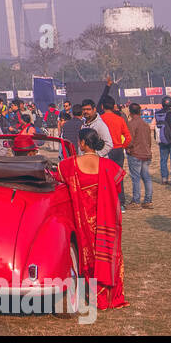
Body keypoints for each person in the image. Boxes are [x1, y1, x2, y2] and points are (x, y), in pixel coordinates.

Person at [56, 128, 128, 310]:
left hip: (82, 222)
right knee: (107, 255)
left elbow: (57, 180)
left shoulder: (69, 164)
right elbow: (117, 190)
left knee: (86, 257)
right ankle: (109, 296)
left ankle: (91, 295)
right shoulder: (109, 165)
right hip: (106, 221)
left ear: (82, 143)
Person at [124, 104, 154, 209]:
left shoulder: (131, 124)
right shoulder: (145, 124)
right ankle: (148, 200)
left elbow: (130, 140)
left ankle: (136, 201)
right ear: (140, 112)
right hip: (146, 153)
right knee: (146, 177)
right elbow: (149, 141)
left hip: (135, 153)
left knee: (136, 178)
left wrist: (127, 148)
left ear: (130, 112)